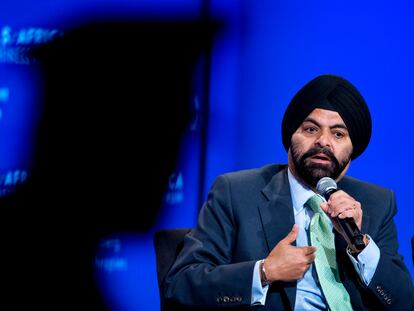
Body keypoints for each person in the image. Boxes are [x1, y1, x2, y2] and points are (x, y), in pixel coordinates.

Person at [164, 74, 414, 310]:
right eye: (310, 129)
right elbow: (180, 285)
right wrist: (265, 271)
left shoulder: (377, 202)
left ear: (352, 152)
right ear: (290, 138)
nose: (323, 142)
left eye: (338, 134)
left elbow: (404, 303)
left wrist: (361, 246)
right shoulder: (236, 192)